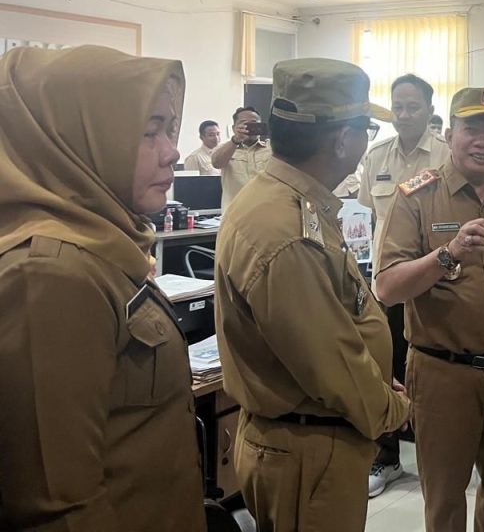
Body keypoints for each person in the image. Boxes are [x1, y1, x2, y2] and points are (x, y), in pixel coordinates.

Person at [0, 45, 205, 531]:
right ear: (73, 140)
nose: (172, 151)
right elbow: (57, 505)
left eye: (170, 129)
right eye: (149, 131)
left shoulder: (106, 245)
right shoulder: (50, 274)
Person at [215, 59, 411, 532]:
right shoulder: (285, 230)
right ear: (342, 140)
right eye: (364, 129)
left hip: (309, 437)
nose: (365, 142)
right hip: (309, 450)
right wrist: (391, 409)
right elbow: (330, 359)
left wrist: (376, 380)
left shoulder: (286, 200)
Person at [374, 87, 484, 532]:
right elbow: (387, 288)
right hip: (443, 373)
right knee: (445, 496)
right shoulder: (416, 197)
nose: (482, 140)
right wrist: (447, 253)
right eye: (471, 128)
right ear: (450, 133)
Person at [358, 73, 450, 497]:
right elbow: (370, 215)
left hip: (436, 279)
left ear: (430, 110)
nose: (405, 114)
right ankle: (387, 456)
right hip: (389, 281)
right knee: (385, 364)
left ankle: (439, 453)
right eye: (398, 107)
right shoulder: (377, 156)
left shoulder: (447, 155)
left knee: (434, 367)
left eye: (413, 107)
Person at [211, 105, 271, 209]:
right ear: (234, 128)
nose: (248, 127)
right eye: (243, 123)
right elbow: (216, 163)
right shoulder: (224, 149)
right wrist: (236, 140)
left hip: (265, 210)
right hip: (235, 212)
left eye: (253, 123)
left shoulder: (271, 149)